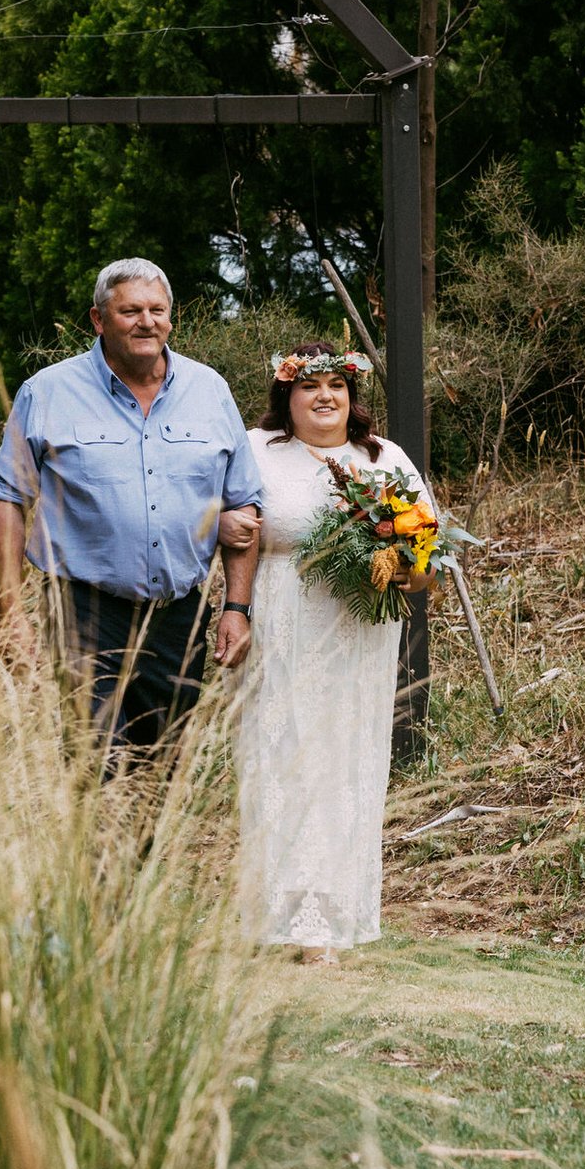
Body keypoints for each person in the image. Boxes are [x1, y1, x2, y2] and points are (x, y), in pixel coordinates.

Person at [0, 258, 264, 756]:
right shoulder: (48, 392)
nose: (146, 321)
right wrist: (9, 611)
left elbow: (243, 506)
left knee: (163, 767)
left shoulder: (210, 391)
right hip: (85, 614)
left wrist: (236, 608)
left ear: (171, 319)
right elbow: (9, 500)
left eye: (157, 310)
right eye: (130, 310)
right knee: (94, 768)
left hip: (179, 617)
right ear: (98, 319)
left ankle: (150, 841)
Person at [234, 341, 431, 952]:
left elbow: (426, 556)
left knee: (345, 759)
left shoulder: (383, 458)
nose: (324, 397)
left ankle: (334, 914)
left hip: (357, 632)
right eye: (309, 386)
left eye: (337, 387)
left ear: (352, 398)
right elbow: (227, 527)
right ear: (285, 397)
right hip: (280, 623)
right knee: (279, 755)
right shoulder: (255, 451)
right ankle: (279, 914)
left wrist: (407, 568)